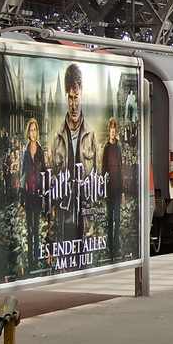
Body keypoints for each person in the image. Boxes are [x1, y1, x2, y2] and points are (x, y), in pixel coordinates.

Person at [49, 63, 98, 242]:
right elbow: (52, 178)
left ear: (82, 96)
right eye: (70, 98)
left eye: (76, 98)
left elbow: (97, 174)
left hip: (84, 211)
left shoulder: (91, 134)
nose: (73, 104)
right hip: (63, 210)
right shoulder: (56, 137)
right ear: (65, 97)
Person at [19, 118, 47, 271]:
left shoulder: (41, 151)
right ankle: (30, 261)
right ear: (28, 133)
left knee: (36, 228)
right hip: (29, 195)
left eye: (35, 130)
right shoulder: (25, 152)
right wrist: (21, 199)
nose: (33, 133)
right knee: (30, 228)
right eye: (31, 130)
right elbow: (23, 174)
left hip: (38, 194)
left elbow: (43, 172)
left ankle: (36, 259)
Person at [101, 117, 124, 261]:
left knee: (117, 220)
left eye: (115, 130)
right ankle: (110, 249)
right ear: (108, 131)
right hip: (109, 190)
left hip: (117, 190)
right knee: (109, 221)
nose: (113, 133)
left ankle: (116, 249)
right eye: (111, 130)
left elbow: (121, 170)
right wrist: (103, 191)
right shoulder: (106, 148)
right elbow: (103, 171)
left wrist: (122, 192)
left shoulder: (118, 149)